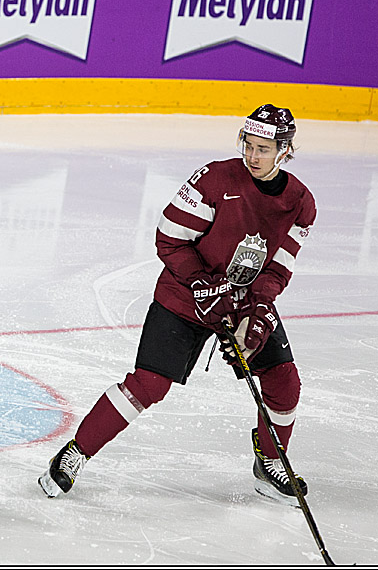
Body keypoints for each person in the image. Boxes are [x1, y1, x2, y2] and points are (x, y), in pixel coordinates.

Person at [39, 104, 316, 505]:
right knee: (149, 384)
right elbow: (169, 239)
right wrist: (202, 282)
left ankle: (270, 461)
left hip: (243, 301)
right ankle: (75, 452)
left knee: (284, 379)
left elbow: (278, 266)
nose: (252, 156)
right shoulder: (216, 179)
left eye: (263, 149)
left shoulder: (301, 202)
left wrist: (258, 310)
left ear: (284, 151)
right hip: (185, 294)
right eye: (248, 145)